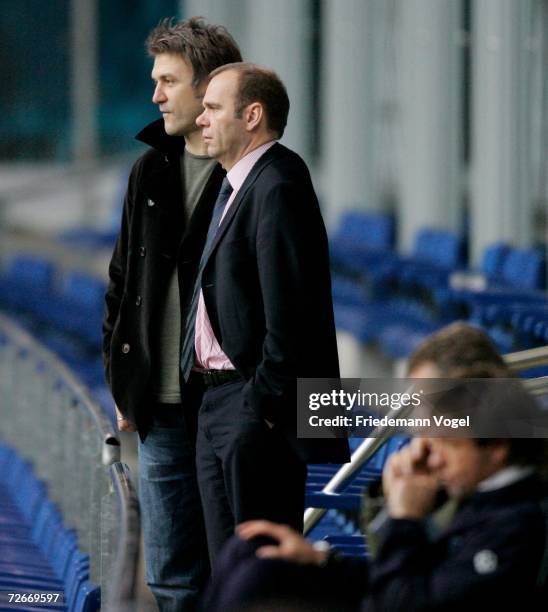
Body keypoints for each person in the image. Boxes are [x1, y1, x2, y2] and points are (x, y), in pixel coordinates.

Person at [202, 322, 548, 611]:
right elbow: (400, 570)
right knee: (249, 550)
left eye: (443, 438)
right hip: (388, 590)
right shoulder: (473, 484)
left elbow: (402, 597)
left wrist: (405, 517)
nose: (430, 451)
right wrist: (324, 559)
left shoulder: (516, 517)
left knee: (256, 582)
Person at [180, 62, 349, 563]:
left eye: (212, 108)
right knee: (229, 572)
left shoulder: (278, 184)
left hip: (252, 411)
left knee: (258, 575)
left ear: (252, 115)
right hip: (219, 403)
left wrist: (258, 413)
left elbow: (291, 322)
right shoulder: (237, 184)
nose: (201, 119)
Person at [102, 17, 242, 611]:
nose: (156, 95)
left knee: (230, 571)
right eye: (155, 80)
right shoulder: (149, 169)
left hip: (226, 405)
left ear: (207, 86)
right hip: (158, 408)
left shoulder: (250, 173)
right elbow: (121, 285)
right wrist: (122, 379)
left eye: (168, 81)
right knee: (169, 577)